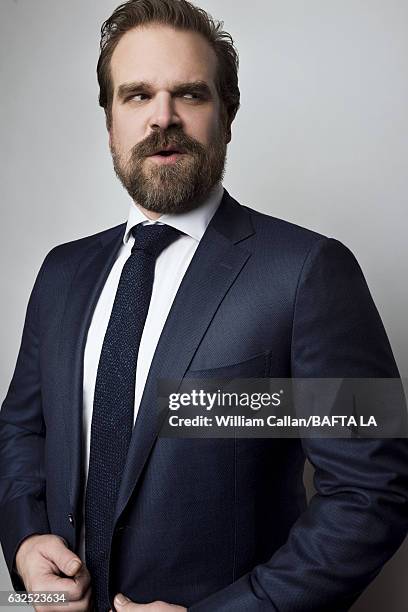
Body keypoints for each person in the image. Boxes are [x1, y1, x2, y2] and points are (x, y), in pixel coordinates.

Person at [0, 1, 407, 611]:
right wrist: (27, 539)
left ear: (228, 114)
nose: (162, 118)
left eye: (189, 94)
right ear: (109, 119)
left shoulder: (308, 272)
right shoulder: (62, 272)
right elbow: (23, 430)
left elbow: (372, 491)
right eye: (136, 96)